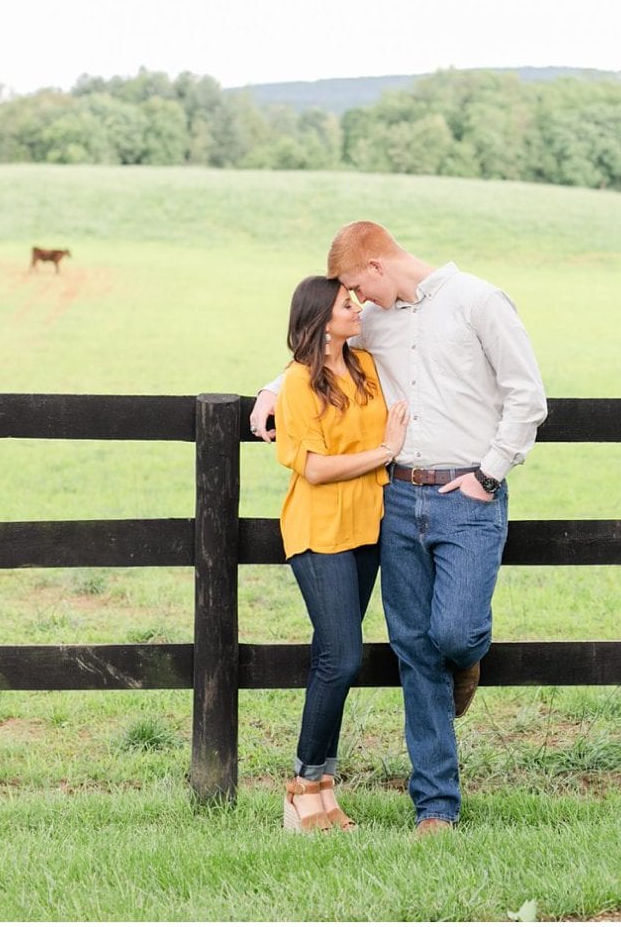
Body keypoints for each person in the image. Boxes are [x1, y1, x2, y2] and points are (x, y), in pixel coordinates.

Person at [253, 222, 547, 834]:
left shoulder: (478, 302)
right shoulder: (378, 321)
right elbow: (319, 354)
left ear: (377, 267)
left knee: (455, 634)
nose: (358, 302)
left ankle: (469, 659)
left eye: (358, 286)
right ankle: (435, 806)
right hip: (396, 499)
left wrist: (487, 476)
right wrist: (270, 388)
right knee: (414, 650)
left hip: (466, 495)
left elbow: (527, 396)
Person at [272, 274, 409, 832]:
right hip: (318, 531)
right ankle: (303, 783)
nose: (357, 307)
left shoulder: (367, 367)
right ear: (319, 319)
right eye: (345, 303)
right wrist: (385, 452)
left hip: (366, 529)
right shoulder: (298, 384)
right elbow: (316, 467)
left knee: (332, 656)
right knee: (343, 656)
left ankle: (325, 788)